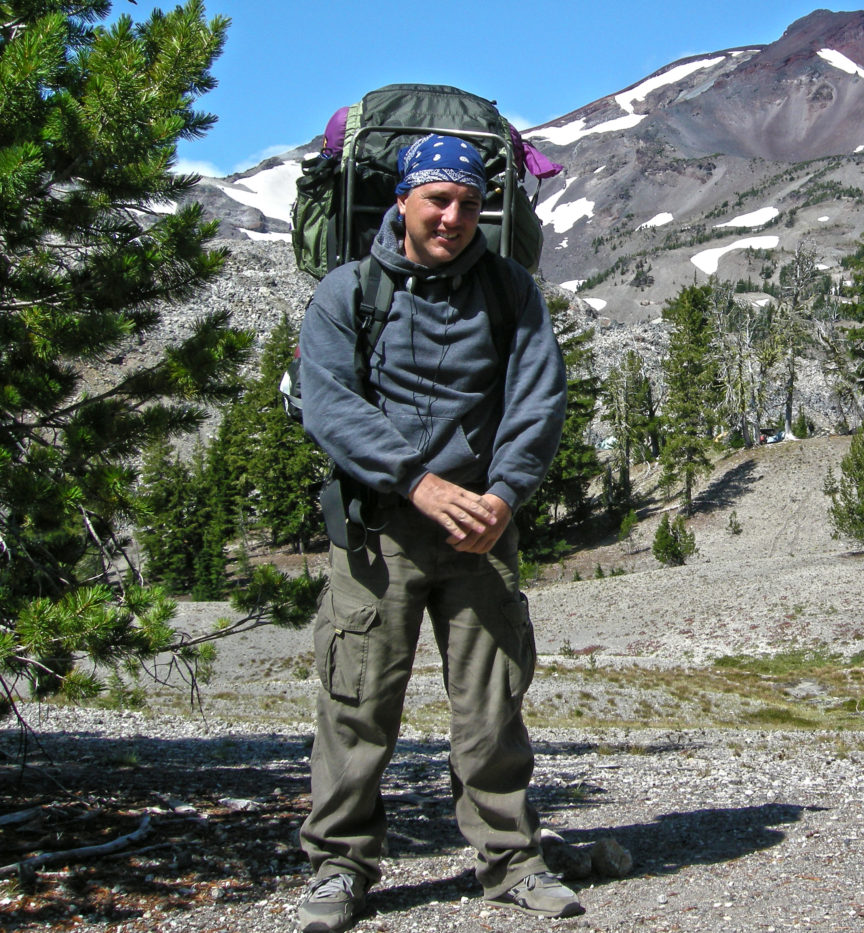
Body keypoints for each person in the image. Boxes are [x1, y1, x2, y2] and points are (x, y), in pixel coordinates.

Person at [294, 134, 578, 933]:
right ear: (403, 202)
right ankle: (339, 865)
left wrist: (506, 494)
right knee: (358, 702)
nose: (454, 216)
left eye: (468, 201)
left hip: (481, 531)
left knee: (493, 703)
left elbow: (538, 398)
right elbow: (330, 403)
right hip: (379, 529)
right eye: (437, 200)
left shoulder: (510, 289)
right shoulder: (346, 292)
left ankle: (513, 861)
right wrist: (415, 480)